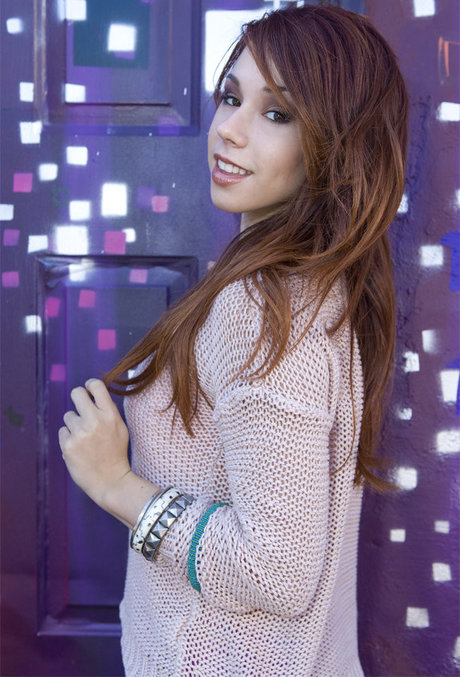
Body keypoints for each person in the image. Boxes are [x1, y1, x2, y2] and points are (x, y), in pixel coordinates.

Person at [59, 4, 409, 676]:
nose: (228, 129)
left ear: (335, 145)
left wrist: (115, 485)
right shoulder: (313, 287)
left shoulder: (264, 307)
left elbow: (275, 571)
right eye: (230, 97)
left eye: (276, 113)